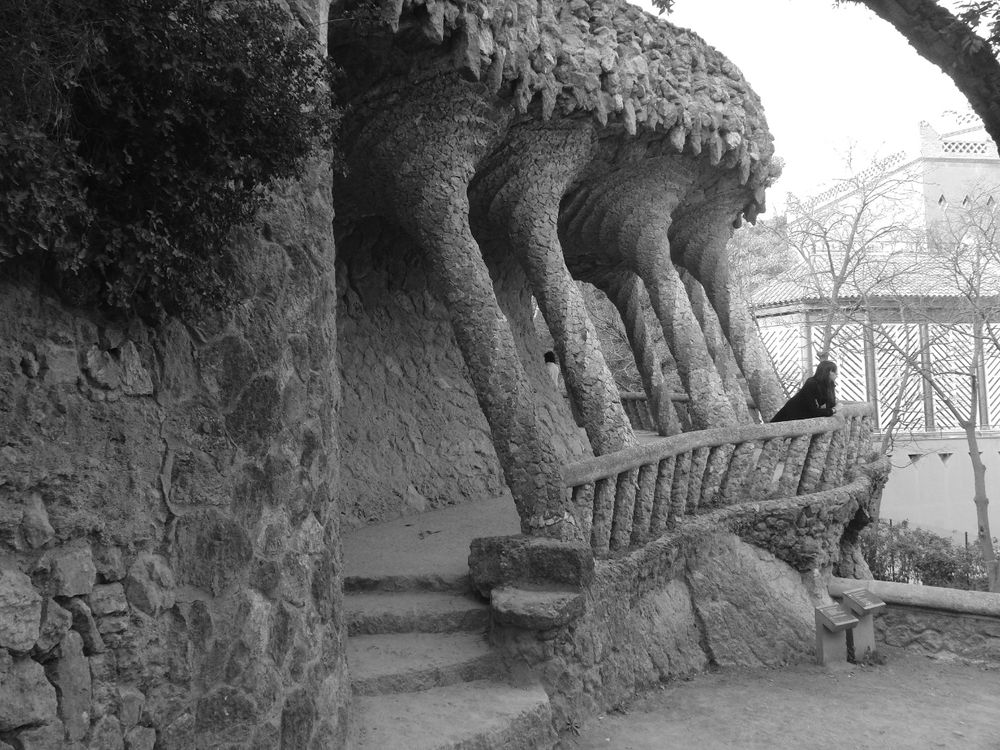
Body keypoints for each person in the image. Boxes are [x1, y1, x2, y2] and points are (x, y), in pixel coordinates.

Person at [771, 360, 838, 422]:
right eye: (834, 371)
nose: (837, 374)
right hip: (789, 416)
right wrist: (833, 410)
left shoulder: (830, 385)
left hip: (803, 420)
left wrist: (833, 409)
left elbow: (831, 405)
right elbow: (813, 411)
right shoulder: (811, 383)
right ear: (828, 372)